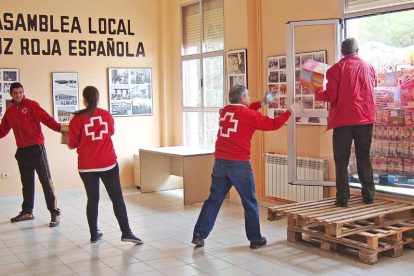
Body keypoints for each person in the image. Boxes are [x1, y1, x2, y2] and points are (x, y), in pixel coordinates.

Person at [192, 85, 301, 249]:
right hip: (239, 165)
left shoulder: (225, 111)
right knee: (249, 202)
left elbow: (243, 112)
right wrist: (290, 111)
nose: (250, 98)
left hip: (220, 162)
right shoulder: (249, 115)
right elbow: (273, 124)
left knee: (213, 200)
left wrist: (262, 102)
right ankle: (255, 239)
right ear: (242, 98)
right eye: (248, 96)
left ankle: (199, 234)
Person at [64, 86, 142, 244]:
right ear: (97, 98)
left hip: (86, 166)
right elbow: (111, 132)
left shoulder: (76, 119)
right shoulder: (106, 115)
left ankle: (94, 234)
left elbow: (72, 144)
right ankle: (126, 232)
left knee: (92, 200)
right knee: (117, 199)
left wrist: (67, 139)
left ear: (84, 99)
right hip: (107, 163)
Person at [313, 38, 376, 207]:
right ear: (357, 50)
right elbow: (372, 86)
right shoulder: (368, 66)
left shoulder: (336, 69)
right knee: (364, 157)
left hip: (343, 121)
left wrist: (316, 92)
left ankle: (342, 198)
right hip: (365, 118)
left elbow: (331, 96)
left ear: (342, 51)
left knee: (342, 160)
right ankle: (369, 196)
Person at [0, 82, 62, 227]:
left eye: (20, 92)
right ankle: (27, 211)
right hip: (22, 151)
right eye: (15, 93)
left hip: (36, 148)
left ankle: (54, 213)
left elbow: (46, 119)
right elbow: (3, 130)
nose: (18, 95)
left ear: (23, 92)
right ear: (11, 95)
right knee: (26, 183)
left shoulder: (32, 105)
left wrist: (60, 129)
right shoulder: (9, 112)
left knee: (46, 182)